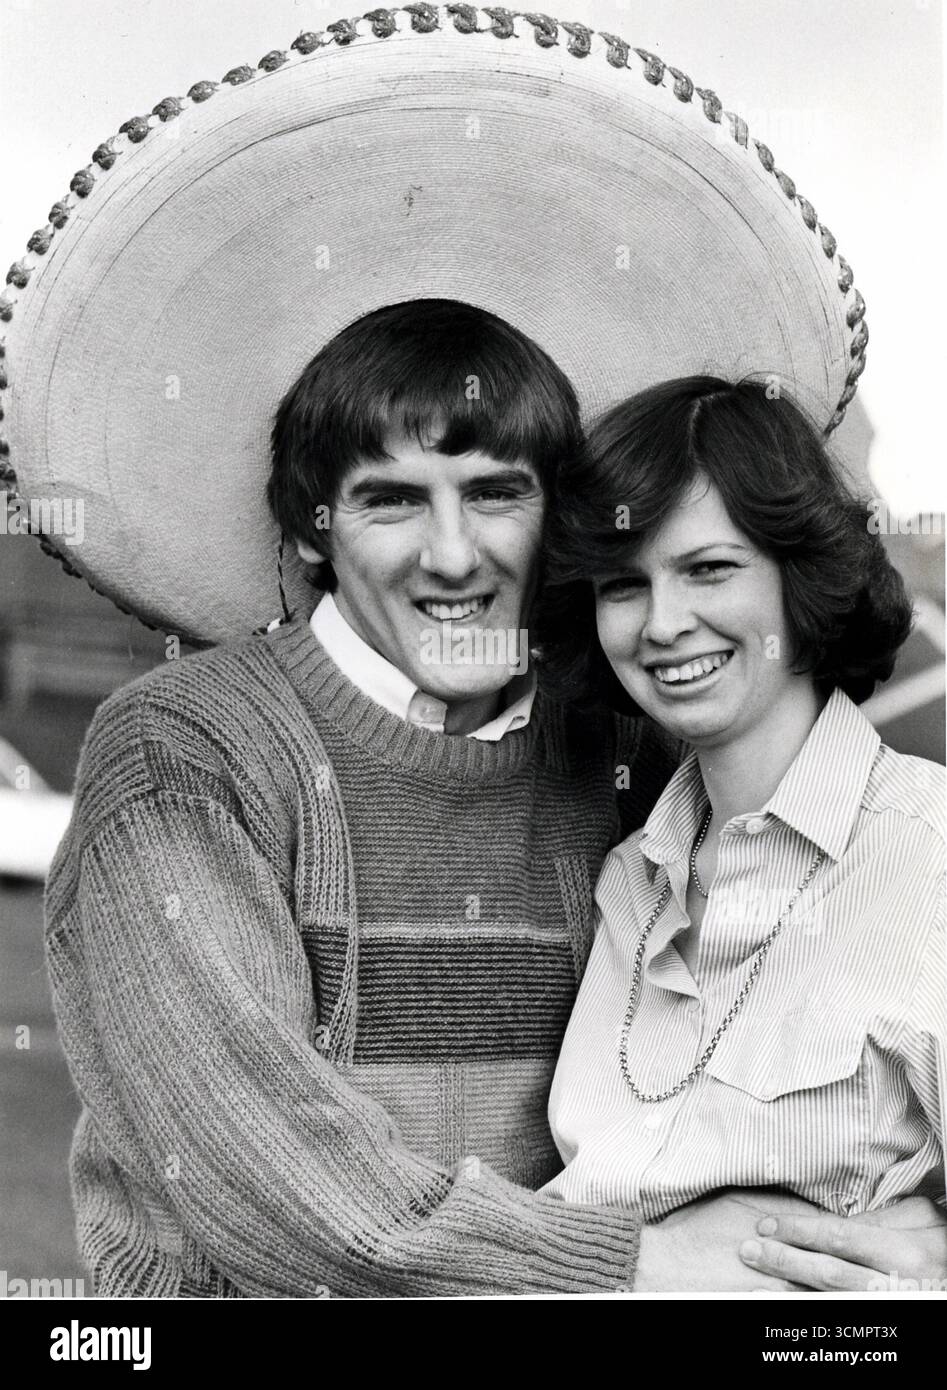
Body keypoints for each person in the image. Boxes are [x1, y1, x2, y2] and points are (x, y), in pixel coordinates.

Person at [7, 11, 932, 1294]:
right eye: (391, 500)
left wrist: (912, 1235)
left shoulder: (628, 756)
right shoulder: (184, 752)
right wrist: (631, 1263)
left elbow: (756, 1076)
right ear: (315, 530)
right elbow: (262, 1182)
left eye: (494, 490)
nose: (451, 554)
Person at [541, 376, 947, 1284]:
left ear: (801, 578)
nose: (663, 624)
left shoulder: (928, 858)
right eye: (622, 585)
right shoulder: (625, 881)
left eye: (709, 569)